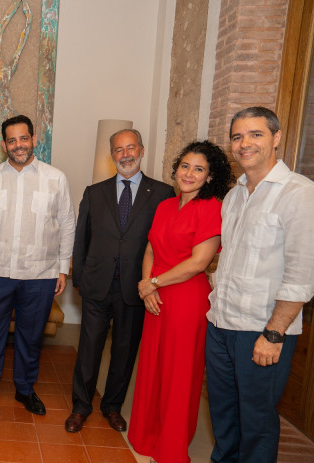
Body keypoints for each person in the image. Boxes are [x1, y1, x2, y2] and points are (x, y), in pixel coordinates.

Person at [206, 106, 314, 462]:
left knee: (256, 422)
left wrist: (274, 333)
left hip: (262, 330)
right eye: (237, 137)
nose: (244, 144)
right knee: (223, 416)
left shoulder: (298, 193)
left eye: (255, 134)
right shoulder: (235, 195)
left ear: (276, 138)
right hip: (221, 324)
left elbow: (302, 273)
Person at [127, 141, 233, 462]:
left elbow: (198, 263)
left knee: (179, 374)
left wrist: (153, 283)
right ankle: (145, 435)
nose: (189, 173)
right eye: (185, 166)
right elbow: (150, 250)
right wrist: (147, 287)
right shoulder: (165, 206)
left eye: (199, 169)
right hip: (155, 295)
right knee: (152, 367)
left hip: (186, 298)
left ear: (210, 176)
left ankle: (172, 446)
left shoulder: (212, 207)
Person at [66, 128, 174, 433]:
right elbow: (81, 238)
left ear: (140, 149)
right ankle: (81, 406)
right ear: (111, 154)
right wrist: (80, 279)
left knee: (125, 353)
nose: (125, 154)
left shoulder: (163, 194)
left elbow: (162, 243)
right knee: (88, 350)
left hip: (136, 287)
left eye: (130, 148)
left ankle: (112, 406)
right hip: (97, 285)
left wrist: (154, 282)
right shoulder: (94, 192)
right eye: (118, 149)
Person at [0, 115, 75, 416]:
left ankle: (25, 390)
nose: (19, 145)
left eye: (24, 138)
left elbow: (67, 224)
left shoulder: (56, 178)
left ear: (34, 138)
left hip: (39, 274)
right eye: (12, 140)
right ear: (3, 144)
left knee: (31, 336)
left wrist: (63, 268)